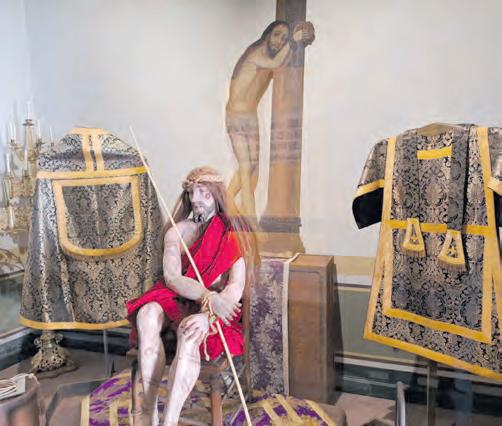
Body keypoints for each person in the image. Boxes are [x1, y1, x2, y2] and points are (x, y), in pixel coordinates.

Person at [126, 166, 256, 426]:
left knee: (190, 330)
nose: (196, 199)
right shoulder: (177, 231)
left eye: (204, 193)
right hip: (178, 296)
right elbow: (172, 278)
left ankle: (169, 420)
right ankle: (149, 412)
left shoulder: (232, 232)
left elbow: (235, 286)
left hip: (216, 307)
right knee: (147, 314)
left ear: (217, 196)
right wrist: (207, 295)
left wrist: (210, 313)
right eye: (192, 192)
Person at [226, 20, 315, 221]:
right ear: (266, 35)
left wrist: (300, 42)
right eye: (276, 35)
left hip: (250, 117)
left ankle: (227, 203)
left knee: (253, 170)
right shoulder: (256, 53)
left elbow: (282, 65)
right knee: (246, 170)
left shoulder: (274, 58)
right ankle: (251, 222)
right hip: (235, 118)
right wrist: (293, 40)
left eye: (284, 38)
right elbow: (276, 64)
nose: (280, 41)